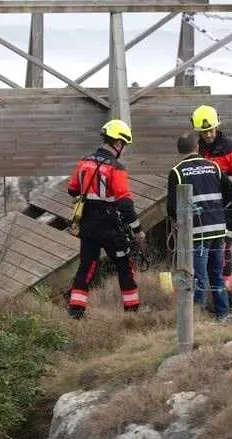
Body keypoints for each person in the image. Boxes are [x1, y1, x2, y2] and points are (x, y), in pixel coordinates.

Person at [167, 132, 232, 320]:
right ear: (197, 148)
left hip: (197, 234)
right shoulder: (213, 167)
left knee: (198, 278)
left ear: (179, 151)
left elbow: (171, 208)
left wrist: (178, 225)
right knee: (217, 275)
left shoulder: (176, 172)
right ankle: (223, 315)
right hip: (218, 231)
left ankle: (197, 319)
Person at [64, 118, 143, 320]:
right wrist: (138, 229)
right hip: (110, 226)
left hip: (87, 224)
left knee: (87, 266)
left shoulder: (84, 162)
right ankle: (132, 314)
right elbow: (125, 203)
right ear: (117, 142)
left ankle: (75, 312)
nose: (123, 149)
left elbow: (72, 189)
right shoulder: (116, 167)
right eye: (124, 145)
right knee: (124, 266)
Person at [192, 104, 232, 302]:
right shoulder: (198, 149)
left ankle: (226, 292)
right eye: (204, 132)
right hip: (208, 208)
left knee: (223, 247)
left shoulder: (231, 149)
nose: (208, 134)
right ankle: (212, 293)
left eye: (211, 130)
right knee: (205, 248)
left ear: (217, 126)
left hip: (228, 207)